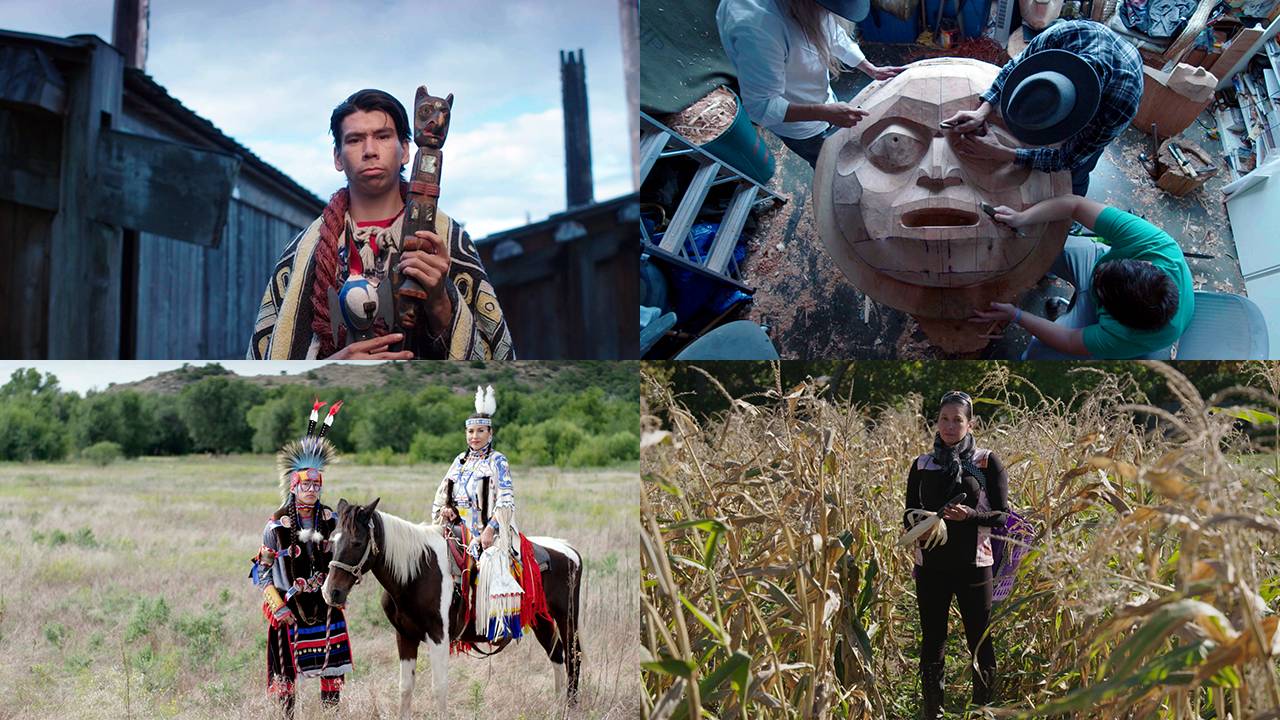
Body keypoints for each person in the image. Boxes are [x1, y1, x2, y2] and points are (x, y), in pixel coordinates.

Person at [248, 88, 515, 360]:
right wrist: (331, 369)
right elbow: (270, 368)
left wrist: (439, 300)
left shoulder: (448, 240)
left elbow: (491, 360)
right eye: (354, 140)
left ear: (406, 152)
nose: (370, 151)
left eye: (383, 136)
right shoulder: (303, 252)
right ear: (337, 158)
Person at [969, 195, 1193, 359]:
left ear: (1112, 316)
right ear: (1144, 264)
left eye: (1099, 289)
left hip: (1118, 325)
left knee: (1041, 353)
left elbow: (1068, 340)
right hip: (1110, 278)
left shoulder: (1127, 337)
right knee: (1042, 246)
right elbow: (1074, 204)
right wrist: (1021, 218)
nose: (1096, 278)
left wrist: (1016, 315)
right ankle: (1051, 270)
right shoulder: (1156, 245)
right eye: (1115, 265)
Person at [942, 20, 1142, 199]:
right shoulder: (1063, 35)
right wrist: (982, 111)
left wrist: (1003, 153)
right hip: (1093, 41)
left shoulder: (1118, 106)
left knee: (1079, 170)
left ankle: (1071, 217)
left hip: (1121, 82)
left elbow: (1067, 159)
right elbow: (1014, 67)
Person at [904, 391, 1009, 718]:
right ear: (936, 421)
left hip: (975, 565)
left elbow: (1002, 516)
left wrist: (971, 517)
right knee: (933, 639)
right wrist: (923, 525)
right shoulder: (922, 464)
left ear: (970, 423)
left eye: (957, 420)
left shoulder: (985, 461)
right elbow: (908, 512)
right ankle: (932, 708)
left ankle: (982, 708)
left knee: (980, 640)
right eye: (944, 419)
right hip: (931, 565)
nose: (950, 426)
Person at [249, 400, 353, 719]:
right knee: (286, 678)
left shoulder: (330, 519)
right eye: (304, 484)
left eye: (315, 484)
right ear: (294, 486)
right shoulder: (276, 525)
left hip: (323, 604)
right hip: (289, 608)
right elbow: (261, 571)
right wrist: (276, 604)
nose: (310, 489)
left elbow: (342, 558)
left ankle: (330, 716)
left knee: (331, 671)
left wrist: (339, 592)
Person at [716, 0, 905, 168]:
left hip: (817, 96)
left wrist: (870, 68)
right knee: (830, 164)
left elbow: (831, 31)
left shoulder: (812, 8)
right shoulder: (757, 29)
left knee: (840, 144)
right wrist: (823, 112)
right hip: (800, 123)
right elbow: (760, 106)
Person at [431, 385, 515, 558]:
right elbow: (443, 495)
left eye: (480, 431)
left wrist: (490, 529)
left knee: (493, 569)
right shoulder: (460, 460)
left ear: (490, 433)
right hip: (456, 532)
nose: (474, 436)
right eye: (470, 431)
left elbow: (505, 501)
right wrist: (447, 509)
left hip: (490, 534)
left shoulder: (497, 460)